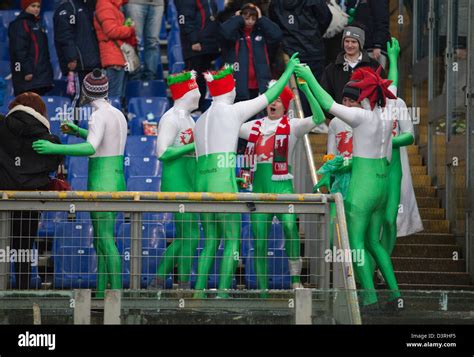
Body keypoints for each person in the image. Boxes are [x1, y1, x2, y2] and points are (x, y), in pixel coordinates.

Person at [295, 63, 401, 310]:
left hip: (362, 186)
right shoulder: (386, 114)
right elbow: (391, 84)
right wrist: (392, 60)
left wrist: (309, 75)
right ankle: (397, 296)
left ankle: (370, 299)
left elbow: (327, 103)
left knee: (356, 245)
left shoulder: (362, 117)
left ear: (363, 96)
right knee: (374, 242)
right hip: (382, 185)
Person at [192, 54, 299, 298]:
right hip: (222, 178)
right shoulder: (232, 111)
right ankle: (222, 292)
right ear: (228, 89)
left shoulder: (201, 119)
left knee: (209, 240)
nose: (236, 89)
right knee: (232, 240)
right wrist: (289, 70)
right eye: (234, 85)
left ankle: (198, 292)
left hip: (201, 178)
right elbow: (270, 97)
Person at [32, 69, 128, 298]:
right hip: (116, 178)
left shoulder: (97, 116)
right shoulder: (118, 113)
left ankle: (113, 295)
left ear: (86, 92)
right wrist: (78, 131)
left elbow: (92, 148)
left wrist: (57, 148)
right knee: (103, 239)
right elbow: (104, 140)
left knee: (104, 240)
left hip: (102, 181)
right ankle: (104, 291)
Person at [238, 81, 325, 293]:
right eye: (271, 99)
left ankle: (295, 280)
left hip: (284, 189)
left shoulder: (293, 126)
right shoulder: (253, 127)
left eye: (278, 100)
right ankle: (262, 289)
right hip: (258, 190)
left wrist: (305, 90)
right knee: (259, 240)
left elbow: (319, 118)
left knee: (289, 227)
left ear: (285, 105)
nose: (273, 103)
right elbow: (230, 122)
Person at [0, 92, 63, 289]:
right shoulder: (49, 138)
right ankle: (23, 290)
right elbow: (52, 165)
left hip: (2, 200)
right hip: (30, 203)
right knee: (24, 249)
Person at [150, 71, 201, 290]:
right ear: (187, 93)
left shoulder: (188, 118)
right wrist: (194, 146)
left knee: (187, 236)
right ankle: (181, 284)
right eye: (196, 89)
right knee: (190, 235)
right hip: (177, 182)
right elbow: (161, 152)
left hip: (188, 180)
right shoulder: (170, 118)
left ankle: (162, 280)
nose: (199, 93)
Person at [268, 0, 332, 116]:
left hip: (290, 51)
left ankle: (299, 120)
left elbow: (274, 24)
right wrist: (314, 34)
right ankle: (313, 119)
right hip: (313, 50)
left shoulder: (276, 3)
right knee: (314, 87)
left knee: (296, 89)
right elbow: (326, 18)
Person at [220, 3, 282, 103]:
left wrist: (261, 19)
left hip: (259, 84)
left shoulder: (260, 32)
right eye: (246, 18)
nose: (250, 22)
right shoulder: (234, 34)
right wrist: (237, 19)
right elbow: (224, 31)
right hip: (238, 84)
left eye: (253, 19)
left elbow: (277, 35)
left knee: (256, 116)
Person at [320, 24, 385, 107]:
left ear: (360, 44)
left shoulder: (374, 66)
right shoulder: (331, 69)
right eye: (346, 41)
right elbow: (325, 95)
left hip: (367, 117)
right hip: (340, 117)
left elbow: (382, 94)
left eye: (353, 42)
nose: (349, 45)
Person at [175, 0, 220, 113]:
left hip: (207, 45)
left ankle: (199, 108)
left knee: (201, 79)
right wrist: (194, 40)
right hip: (195, 46)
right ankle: (190, 109)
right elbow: (185, 18)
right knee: (194, 78)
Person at [54, 0, 101, 108]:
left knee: (92, 98)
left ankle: (89, 123)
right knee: (78, 97)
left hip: (90, 61)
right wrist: (72, 58)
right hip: (78, 63)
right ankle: (75, 122)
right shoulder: (66, 8)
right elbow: (64, 36)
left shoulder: (85, 6)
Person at [8, 0, 53, 96]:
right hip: (29, 78)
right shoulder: (20, 24)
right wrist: (27, 71)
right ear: (25, 7)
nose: (36, 9)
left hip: (39, 77)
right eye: (33, 6)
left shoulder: (37, 24)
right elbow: (19, 50)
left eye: (38, 6)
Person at [94, 0, 138, 99]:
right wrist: (130, 29)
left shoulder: (112, 6)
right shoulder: (104, 6)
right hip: (113, 58)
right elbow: (111, 31)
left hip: (118, 57)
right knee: (114, 99)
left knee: (118, 98)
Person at [124, 0, 165, 80]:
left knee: (153, 42)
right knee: (134, 41)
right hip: (135, 2)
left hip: (157, 3)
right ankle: (134, 77)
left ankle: (150, 78)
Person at [345, 0, 390, 69]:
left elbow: (382, 20)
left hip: (373, 48)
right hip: (362, 47)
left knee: (374, 77)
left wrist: (378, 45)